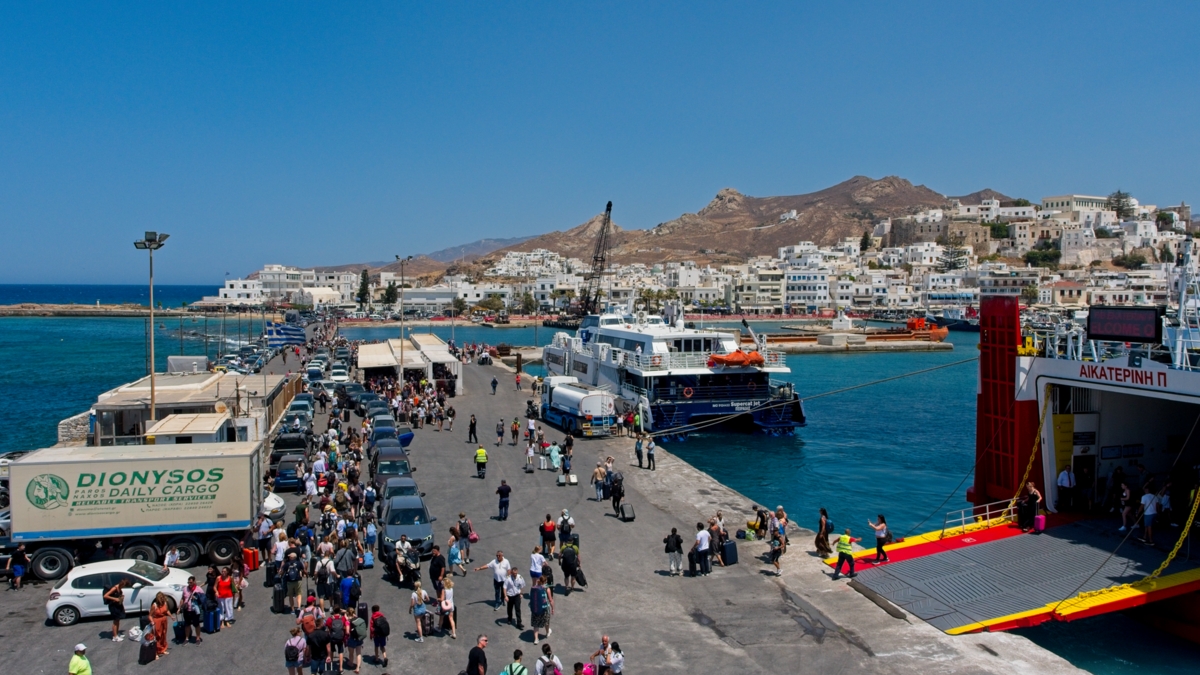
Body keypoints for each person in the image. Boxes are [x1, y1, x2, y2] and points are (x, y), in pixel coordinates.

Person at [529, 575, 554, 645]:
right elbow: (550, 600)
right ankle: (547, 632)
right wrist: (552, 608)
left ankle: (536, 639)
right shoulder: (546, 589)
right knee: (546, 621)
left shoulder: (534, 588)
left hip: (535, 608)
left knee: (536, 624)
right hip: (544, 609)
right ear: (545, 581)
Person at [148, 592, 173, 657]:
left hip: (164, 620)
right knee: (157, 636)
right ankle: (156, 652)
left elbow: (167, 610)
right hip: (157, 620)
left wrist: (171, 616)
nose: (162, 600)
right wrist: (152, 622)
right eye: (161, 599)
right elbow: (150, 615)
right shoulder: (154, 605)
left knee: (163, 634)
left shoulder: (164, 603)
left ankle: (162, 649)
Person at [180, 576, 204, 644]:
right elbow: (182, 598)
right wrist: (179, 607)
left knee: (196, 624)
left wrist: (196, 598)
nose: (190, 584)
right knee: (187, 624)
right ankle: (187, 638)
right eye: (188, 582)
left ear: (194, 582)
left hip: (195, 610)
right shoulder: (185, 589)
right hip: (187, 610)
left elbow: (203, 598)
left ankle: (198, 638)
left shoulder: (198, 589)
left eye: (191, 582)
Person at [347, 608, 368, 673]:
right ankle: (357, 667)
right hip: (359, 638)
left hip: (352, 639)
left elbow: (347, 632)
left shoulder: (348, 621)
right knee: (358, 653)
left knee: (351, 653)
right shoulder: (358, 618)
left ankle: (351, 663)